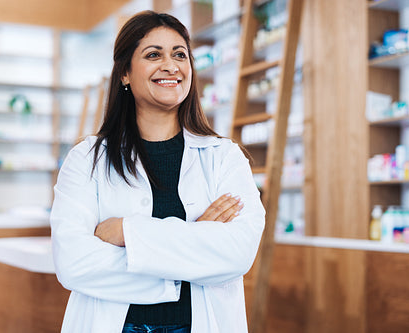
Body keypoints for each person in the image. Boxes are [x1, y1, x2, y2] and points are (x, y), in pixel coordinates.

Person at [50, 10, 265, 333]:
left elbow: (238, 253)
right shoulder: (87, 159)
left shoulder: (224, 157)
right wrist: (194, 240)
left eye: (180, 55)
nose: (171, 66)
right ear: (124, 73)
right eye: (154, 55)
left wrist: (127, 232)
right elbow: (74, 263)